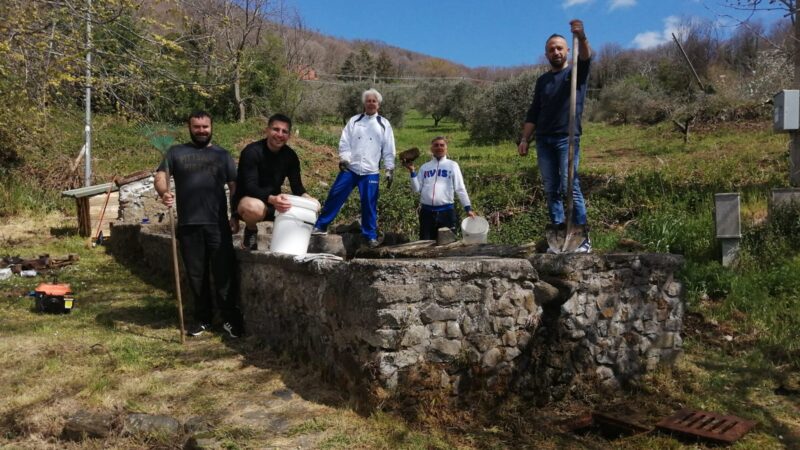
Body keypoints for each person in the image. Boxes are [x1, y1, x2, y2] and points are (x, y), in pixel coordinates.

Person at [155, 111, 243, 338]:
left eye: (205, 126)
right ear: (189, 128)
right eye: (197, 127)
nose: (201, 130)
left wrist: (235, 214)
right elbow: (160, 177)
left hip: (217, 224)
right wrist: (164, 193)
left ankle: (229, 320)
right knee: (196, 275)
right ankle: (203, 319)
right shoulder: (175, 152)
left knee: (224, 272)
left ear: (211, 127)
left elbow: (234, 187)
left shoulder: (223, 155)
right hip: (188, 225)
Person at [517, 19, 593, 253]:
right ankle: (560, 235)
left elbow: (587, 57)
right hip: (544, 140)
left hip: (567, 138)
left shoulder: (576, 72)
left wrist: (581, 37)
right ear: (546, 54)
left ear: (567, 50)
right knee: (551, 188)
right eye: (551, 49)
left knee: (571, 186)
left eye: (560, 47)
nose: (556, 52)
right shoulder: (543, 80)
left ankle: (582, 238)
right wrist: (524, 139)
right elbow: (534, 111)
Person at [312, 88, 396, 248]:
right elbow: (344, 142)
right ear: (364, 103)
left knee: (369, 203)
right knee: (335, 195)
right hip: (350, 169)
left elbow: (389, 148)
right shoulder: (354, 121)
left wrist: (389, 168)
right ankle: (320, 226)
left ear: (378, 104)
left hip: (371, 171)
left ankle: (370, 235)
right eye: (368, 101)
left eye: (374, 101)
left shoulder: (384, 124)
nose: (371, 103)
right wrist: (344, 158)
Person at [233, 113, 318, 250]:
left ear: (289, 135)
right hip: (248, 201)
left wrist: (309, 199)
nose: (279, 134)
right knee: (255, 207)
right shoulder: (252, 152)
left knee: (308, 205)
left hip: (274, 204)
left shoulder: (290, 156)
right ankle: (251, 230)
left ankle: (288, 243)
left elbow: (297, 187)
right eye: (275, 129)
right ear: (267, 130)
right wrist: (272, 199)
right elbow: (250, 186)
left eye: (284, 131)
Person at [404, 136, 475, 240]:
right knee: (425, 244)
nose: (439, 147)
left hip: (446, 212)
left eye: (442, 145)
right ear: (431, 148)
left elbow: (460, 188)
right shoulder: (425, 167)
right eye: (436, 145)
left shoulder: (452, 165)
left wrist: (468, 208)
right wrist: (412, 171)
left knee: (448, 244)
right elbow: (416, 189)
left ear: (446, 148)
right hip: (427, 213)